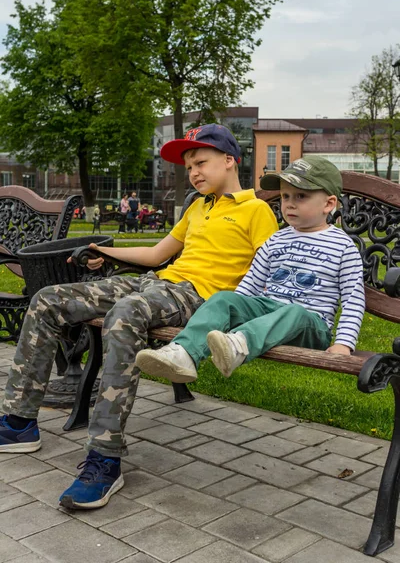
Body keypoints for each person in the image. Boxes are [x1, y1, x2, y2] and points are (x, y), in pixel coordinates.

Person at [0, 123, 278, 510]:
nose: (194, 172)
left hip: (199, 300)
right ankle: (18, 423)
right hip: (157, 284)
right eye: (189, 167)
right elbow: (156, 254)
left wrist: (239, 316)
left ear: (230, 160)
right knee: (49, 299)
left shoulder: (255, 209)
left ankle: (104, 458)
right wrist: (106, 252)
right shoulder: (198, 207)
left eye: (201, 162)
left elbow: (270, 271)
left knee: (125, 313)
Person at [136, 155, 365, 384]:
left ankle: (238, 346)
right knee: (224, 299)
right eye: (285, 196)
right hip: (269, 312)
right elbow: (251, 283)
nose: (289, 203)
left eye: (301, 196)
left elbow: (353, 300)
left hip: (311, 325)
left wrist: (343, 344)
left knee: (293, 312)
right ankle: (183, 354)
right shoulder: (276, 240)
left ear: (329, 204)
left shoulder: (342, 246)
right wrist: (236, 311)